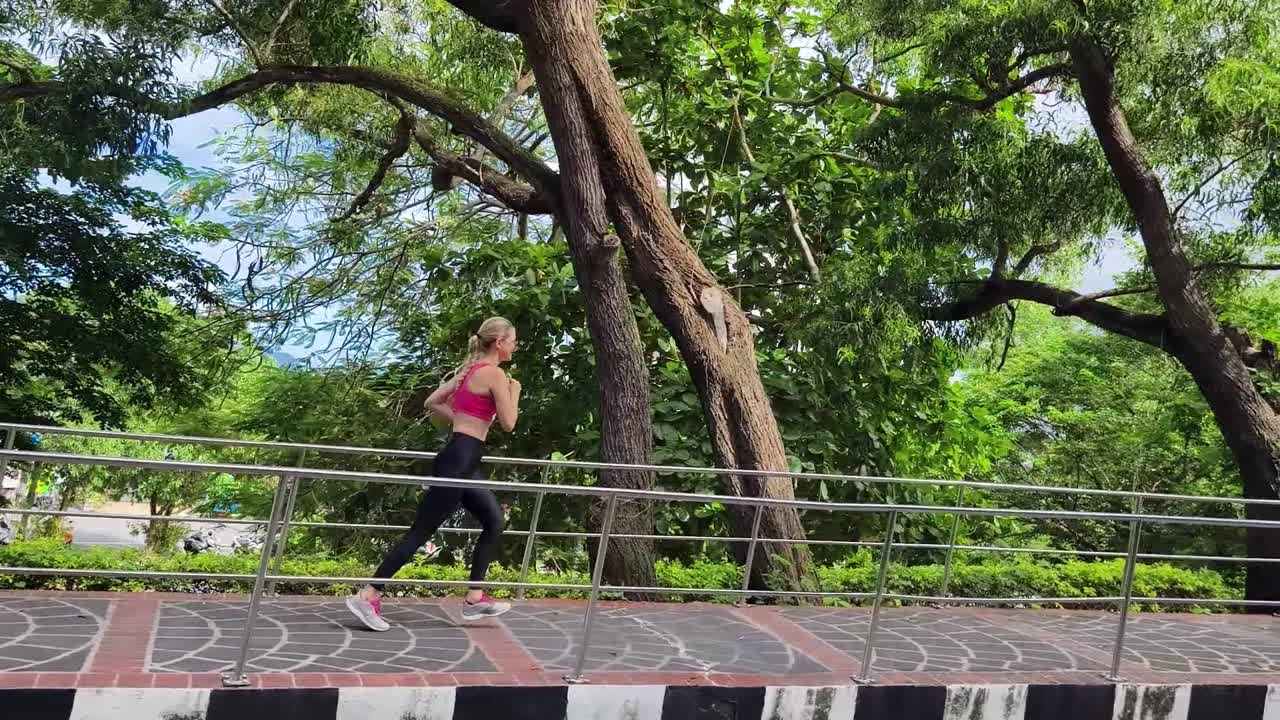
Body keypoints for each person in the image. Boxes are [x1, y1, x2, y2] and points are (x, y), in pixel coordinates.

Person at [346, 317, 522, 630]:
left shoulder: (467, 371)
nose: (515, 345)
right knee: (421, 531)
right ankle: (369, 593)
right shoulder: (495, 374)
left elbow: (432, 402)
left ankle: (474, 597)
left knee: (494, 520)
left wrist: (461, 418)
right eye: (512, 340)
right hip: (460, 460)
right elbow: (509, 423)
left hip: (462, 457)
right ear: (499, 343)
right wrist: (515, 390)